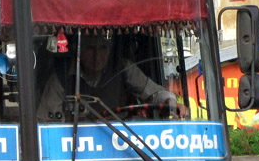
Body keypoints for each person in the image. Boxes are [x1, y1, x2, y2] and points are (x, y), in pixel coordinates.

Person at [37, 32, 182, 122]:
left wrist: (170, 101)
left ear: (110, 49)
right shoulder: (61, 79)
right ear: (78, 50)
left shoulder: (124, 68)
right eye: (90, 49)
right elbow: (48, 125)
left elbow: (156, 93)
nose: (97, 56)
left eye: (103, 48)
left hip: (123, 144)